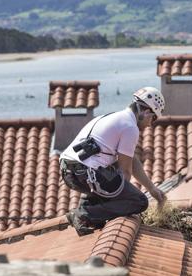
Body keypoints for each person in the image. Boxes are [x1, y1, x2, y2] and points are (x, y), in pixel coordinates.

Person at [59, 86, 166, 236]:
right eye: (153, 118)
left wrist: (152, 189)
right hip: (84, 172)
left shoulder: (115, 117)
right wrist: (126, 199)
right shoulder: (130, 127)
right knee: (139, 201)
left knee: (112, 180)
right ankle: (84, 214)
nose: (150, 124)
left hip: (70, 171)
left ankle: (87, 208)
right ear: (146, 111)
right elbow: (125, 172)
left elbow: (131, 161)